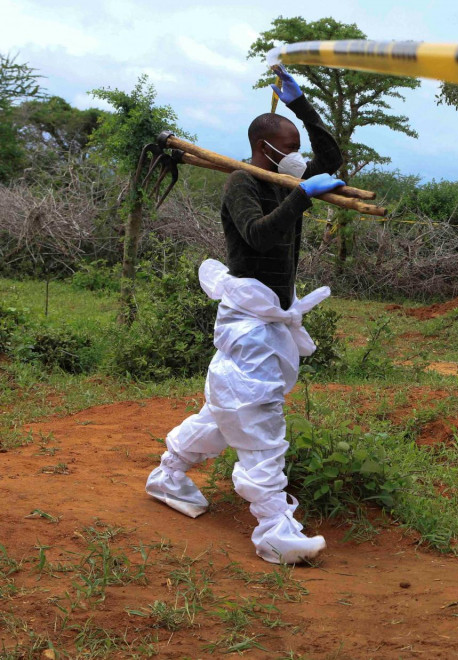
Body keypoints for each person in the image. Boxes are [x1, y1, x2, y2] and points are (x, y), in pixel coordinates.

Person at [145, 65, 345, 565]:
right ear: (264, 145)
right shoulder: (243, 183)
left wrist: (300, 103)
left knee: (225, 410)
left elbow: (332, 158)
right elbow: (259, 236)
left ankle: (169, 474)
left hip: (272, 315)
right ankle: (274, 529)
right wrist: (301, 196)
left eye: (298, 142)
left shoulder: (283, 176)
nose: (297, 151)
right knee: (257, 415)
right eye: (289, 142)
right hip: (248, 319)